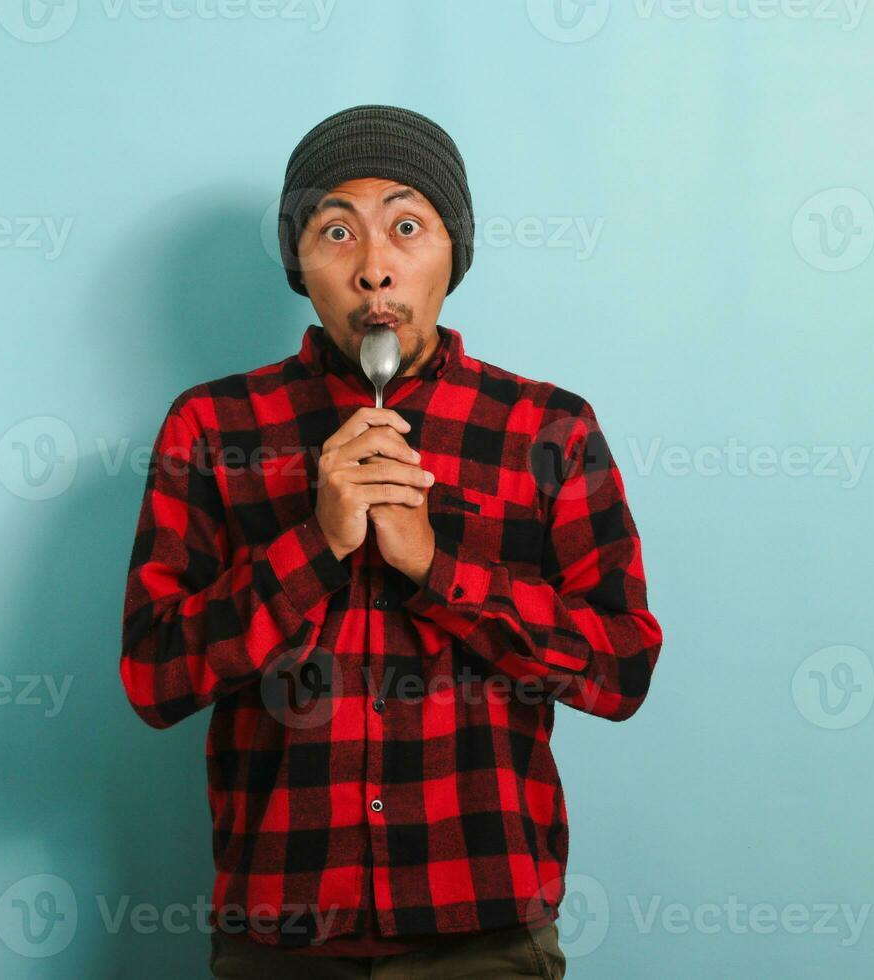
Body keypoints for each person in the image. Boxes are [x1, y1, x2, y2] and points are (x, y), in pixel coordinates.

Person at [120, 104, 663, 979]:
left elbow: (621, 668)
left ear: (454, 251)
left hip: (486, 935)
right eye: (337, 231)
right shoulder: (212, 426)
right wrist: (315, 545)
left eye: (406, 226)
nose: (374, 268)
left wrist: (434, 566)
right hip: (279, 942)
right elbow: (154, 678)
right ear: (301, 262)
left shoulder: (546, 430)